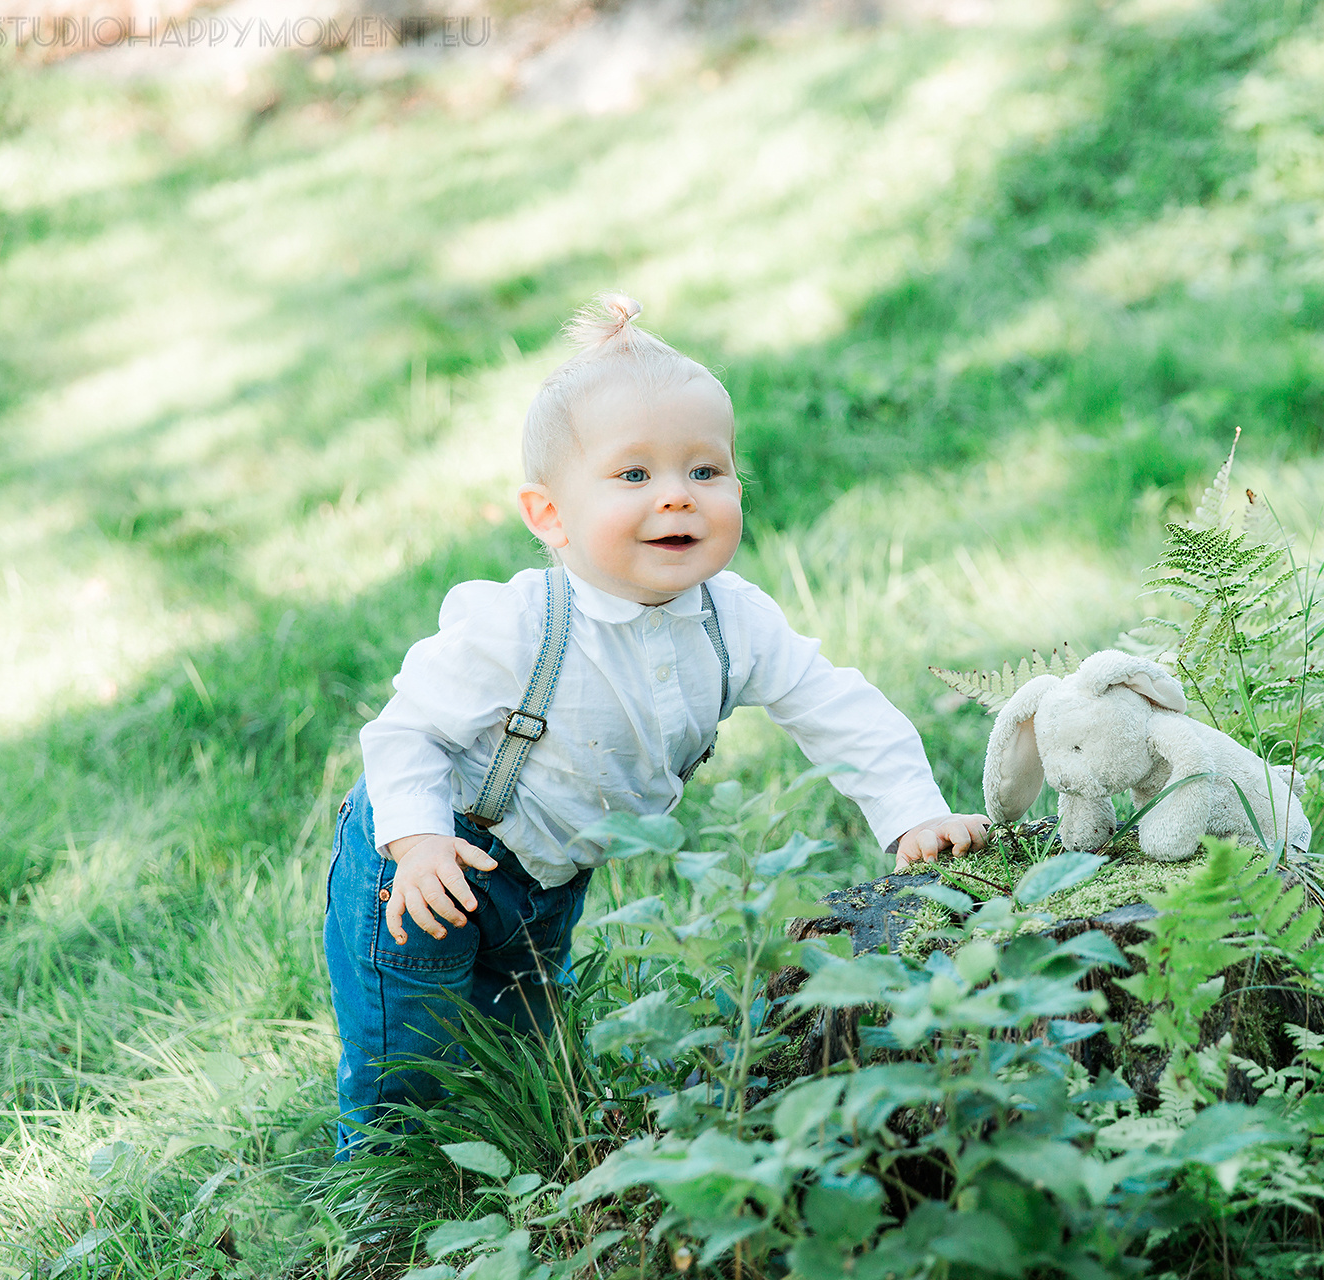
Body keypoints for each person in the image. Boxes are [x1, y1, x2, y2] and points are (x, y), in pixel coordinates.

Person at [323, 292, 988, 1152]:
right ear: (550, 516)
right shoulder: (519, 625)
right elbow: (403, 732)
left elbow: (838, 707)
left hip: (547, 883)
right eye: (635, 476)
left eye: (705, 471)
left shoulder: (731, 620)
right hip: (426, 865)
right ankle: (390, 1206)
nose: (677, 498)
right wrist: (414, 842)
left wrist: (912, 813)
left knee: (524, 1055)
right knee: (405, 1071)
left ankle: (512, 1162)